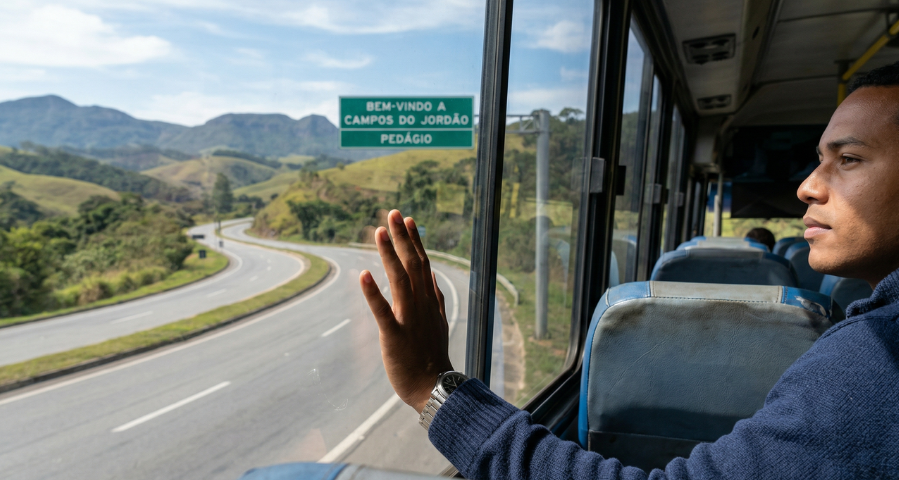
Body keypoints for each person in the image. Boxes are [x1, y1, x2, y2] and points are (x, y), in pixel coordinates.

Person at [358, 61, 899, 479]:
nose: (806, 185)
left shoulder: (877, 355)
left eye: (847, 159)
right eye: (820, 159)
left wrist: (434, 385)